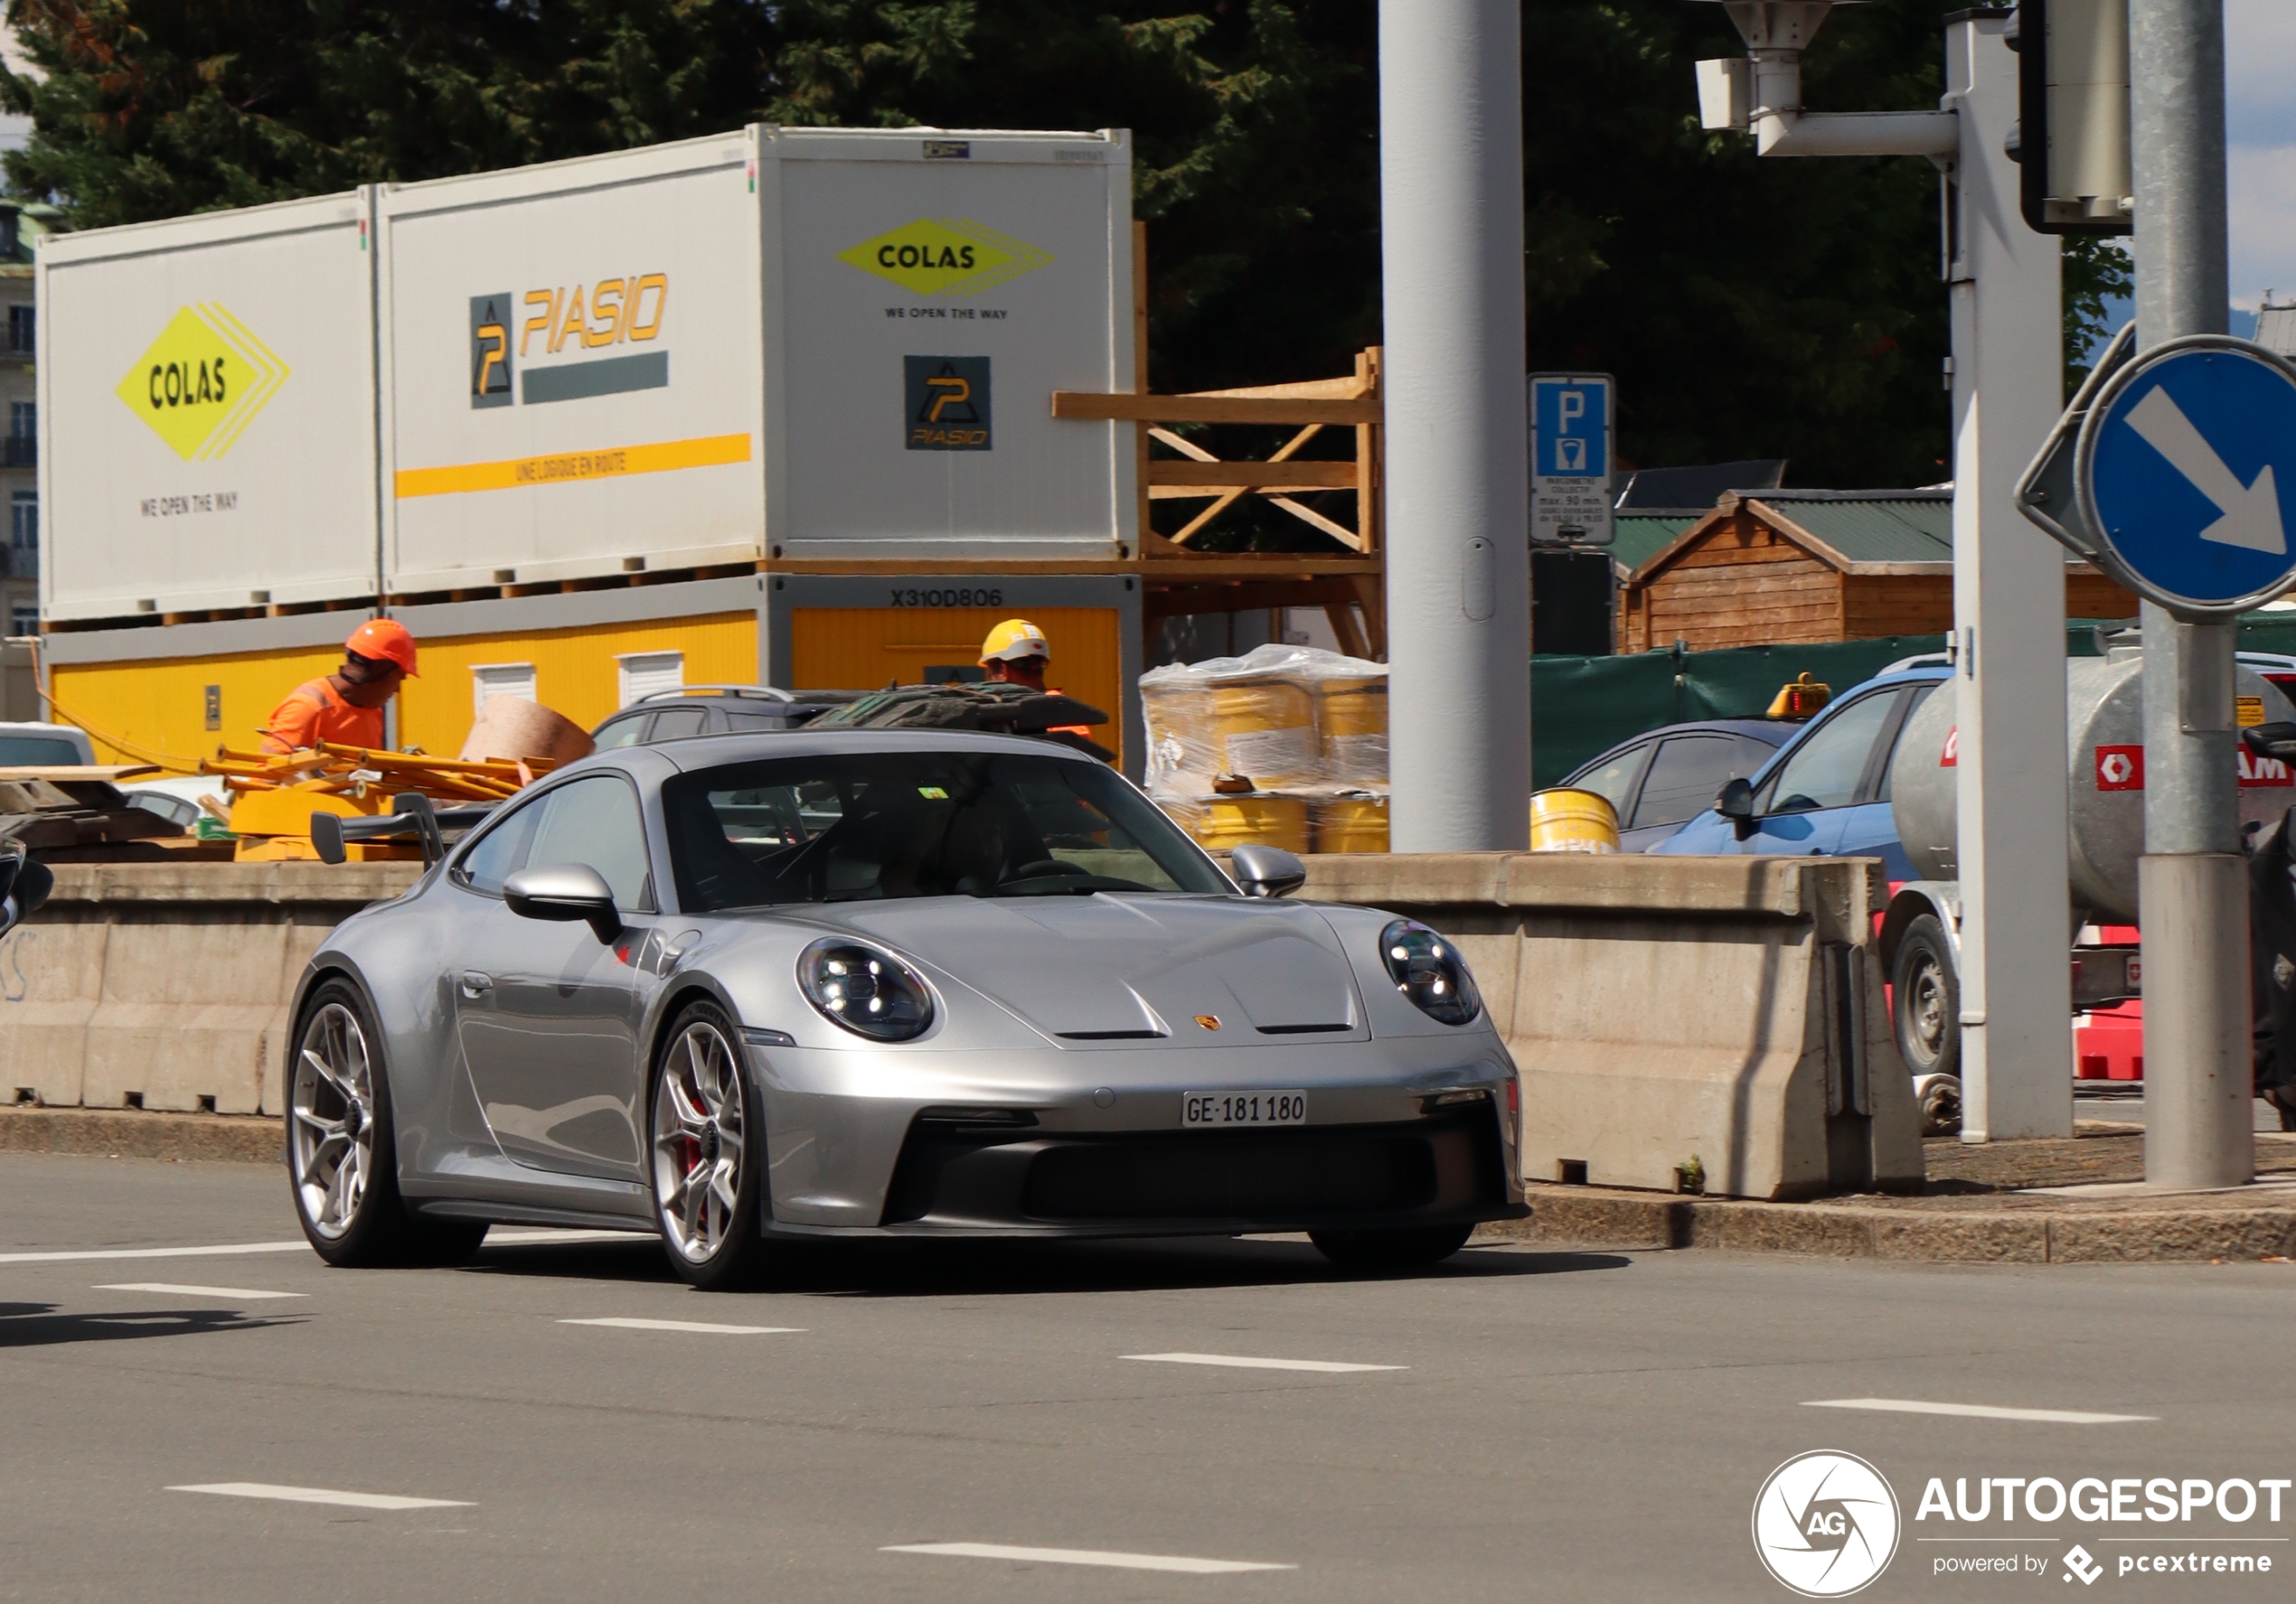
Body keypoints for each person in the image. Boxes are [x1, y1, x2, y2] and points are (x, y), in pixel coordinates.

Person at [262, 619, 419, 755]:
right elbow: (268, 776)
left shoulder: (371, 711)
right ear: (380, 670)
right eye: (399, 678)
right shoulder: (308, 707)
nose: (397, 689)